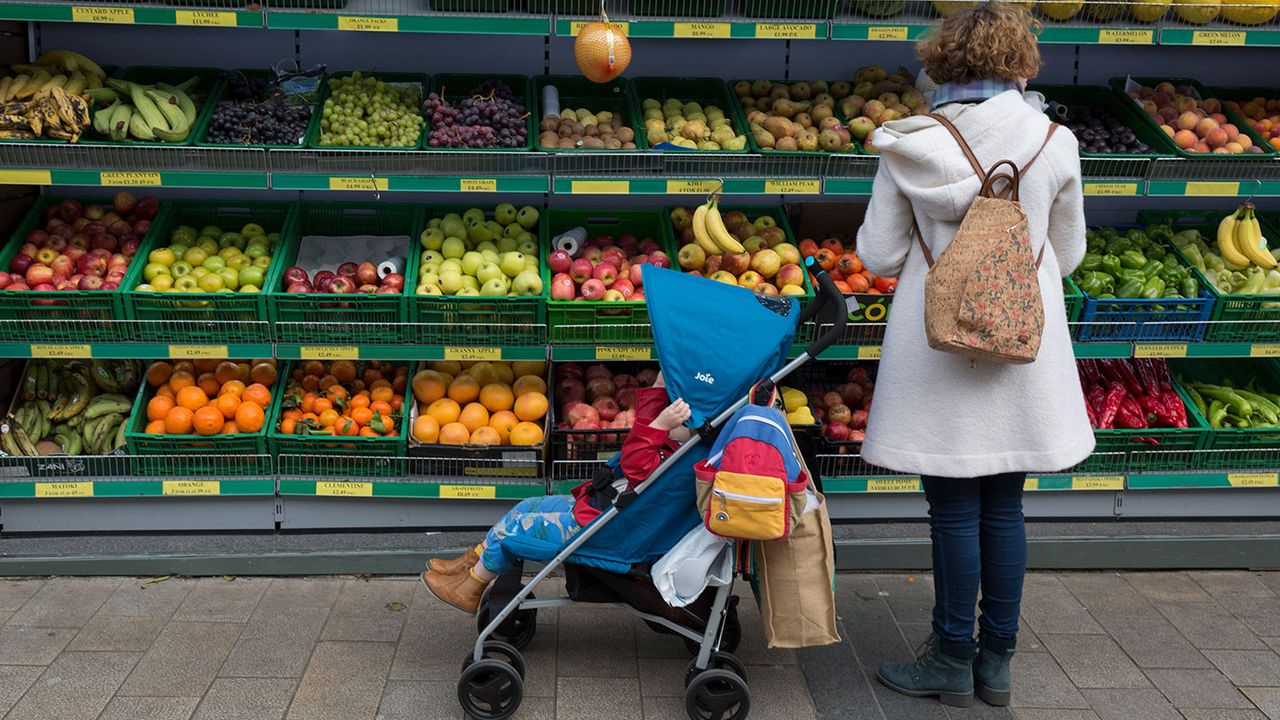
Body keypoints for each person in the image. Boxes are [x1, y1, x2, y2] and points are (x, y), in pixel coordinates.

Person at [854, 3, 1095, 709]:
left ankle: (950, 659)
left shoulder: (910, 143)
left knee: (953, 510)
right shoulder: (1055, 140)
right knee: (1006, 508)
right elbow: (1071, 254)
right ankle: (997, 664)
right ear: (1020, 59)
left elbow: (878, 252)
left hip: (936, 350)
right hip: (1023, 343)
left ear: (942, 62)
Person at [423, 372, 693, 613]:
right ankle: (469, 565)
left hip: (602, 529)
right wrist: (659, 392)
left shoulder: (672, 456)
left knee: (517, 528)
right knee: (526, 506)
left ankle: (470, 588)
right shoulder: (678, 447)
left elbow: (635, 464)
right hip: (601, 512)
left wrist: (658, 425)